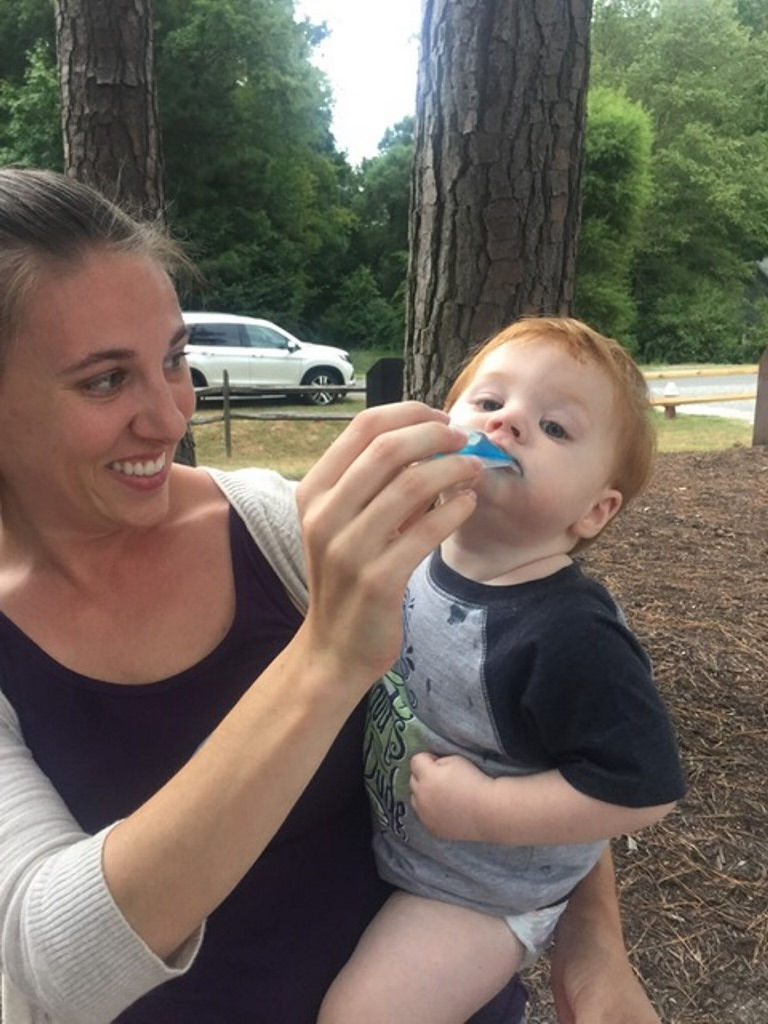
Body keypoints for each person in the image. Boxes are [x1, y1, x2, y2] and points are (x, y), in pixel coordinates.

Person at [0, 166, 663, 1024]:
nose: (170, 417)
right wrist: (325, 660)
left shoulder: (285, 529)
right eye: (104, 380)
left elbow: (517, 717)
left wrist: (592, 945)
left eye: (173, 360)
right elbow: (51, 963)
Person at [319, 318, 686, 1024]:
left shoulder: (569, 632)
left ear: (594, 511)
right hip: (400, 839)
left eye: (554, 427)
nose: (511, 421)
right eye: (489, 404)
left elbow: (646, 791)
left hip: (480, 892)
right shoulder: (418, 550)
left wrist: (487, 811)